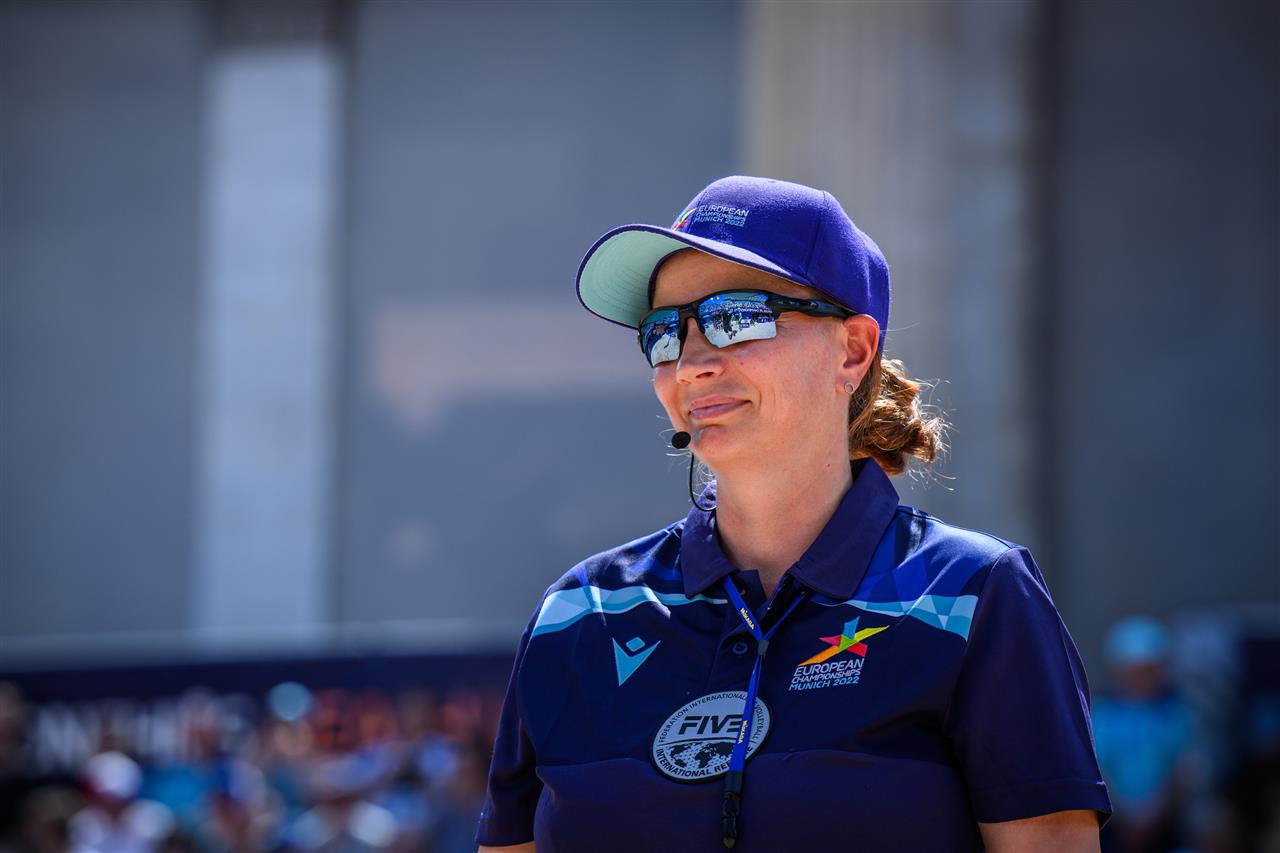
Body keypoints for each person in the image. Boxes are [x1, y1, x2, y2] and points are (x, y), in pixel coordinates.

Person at [476, 176, 1112, 852]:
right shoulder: (578, 613)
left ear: (852, 351)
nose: (690, 363)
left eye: (736, 316)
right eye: (664, 332)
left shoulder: (974, 595)